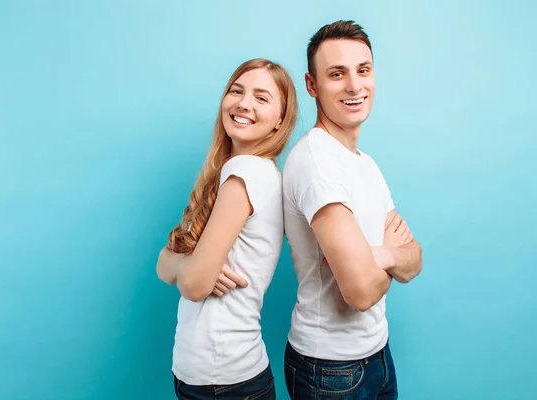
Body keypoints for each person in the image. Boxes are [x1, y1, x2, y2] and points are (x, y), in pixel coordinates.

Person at [282, 20, 423, 399]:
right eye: (336, 74)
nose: (355, 86)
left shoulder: (364, 164)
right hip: (331, 371)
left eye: (363, 70)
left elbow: (415, 259)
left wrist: (377, 254)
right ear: (312, 85)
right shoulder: (317, 163)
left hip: (378, 352)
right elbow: (359, 291)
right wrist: (391, 257)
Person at [156, 58, 298, 400]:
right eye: (236, 91)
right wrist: (185, 264)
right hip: (213, 377)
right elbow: (165, 266)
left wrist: (188, 268)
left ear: (281, 120)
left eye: (262, 98)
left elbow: (192, 285)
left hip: (224, 381)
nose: (243, 103)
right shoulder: (235, 173)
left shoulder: (245, 171)